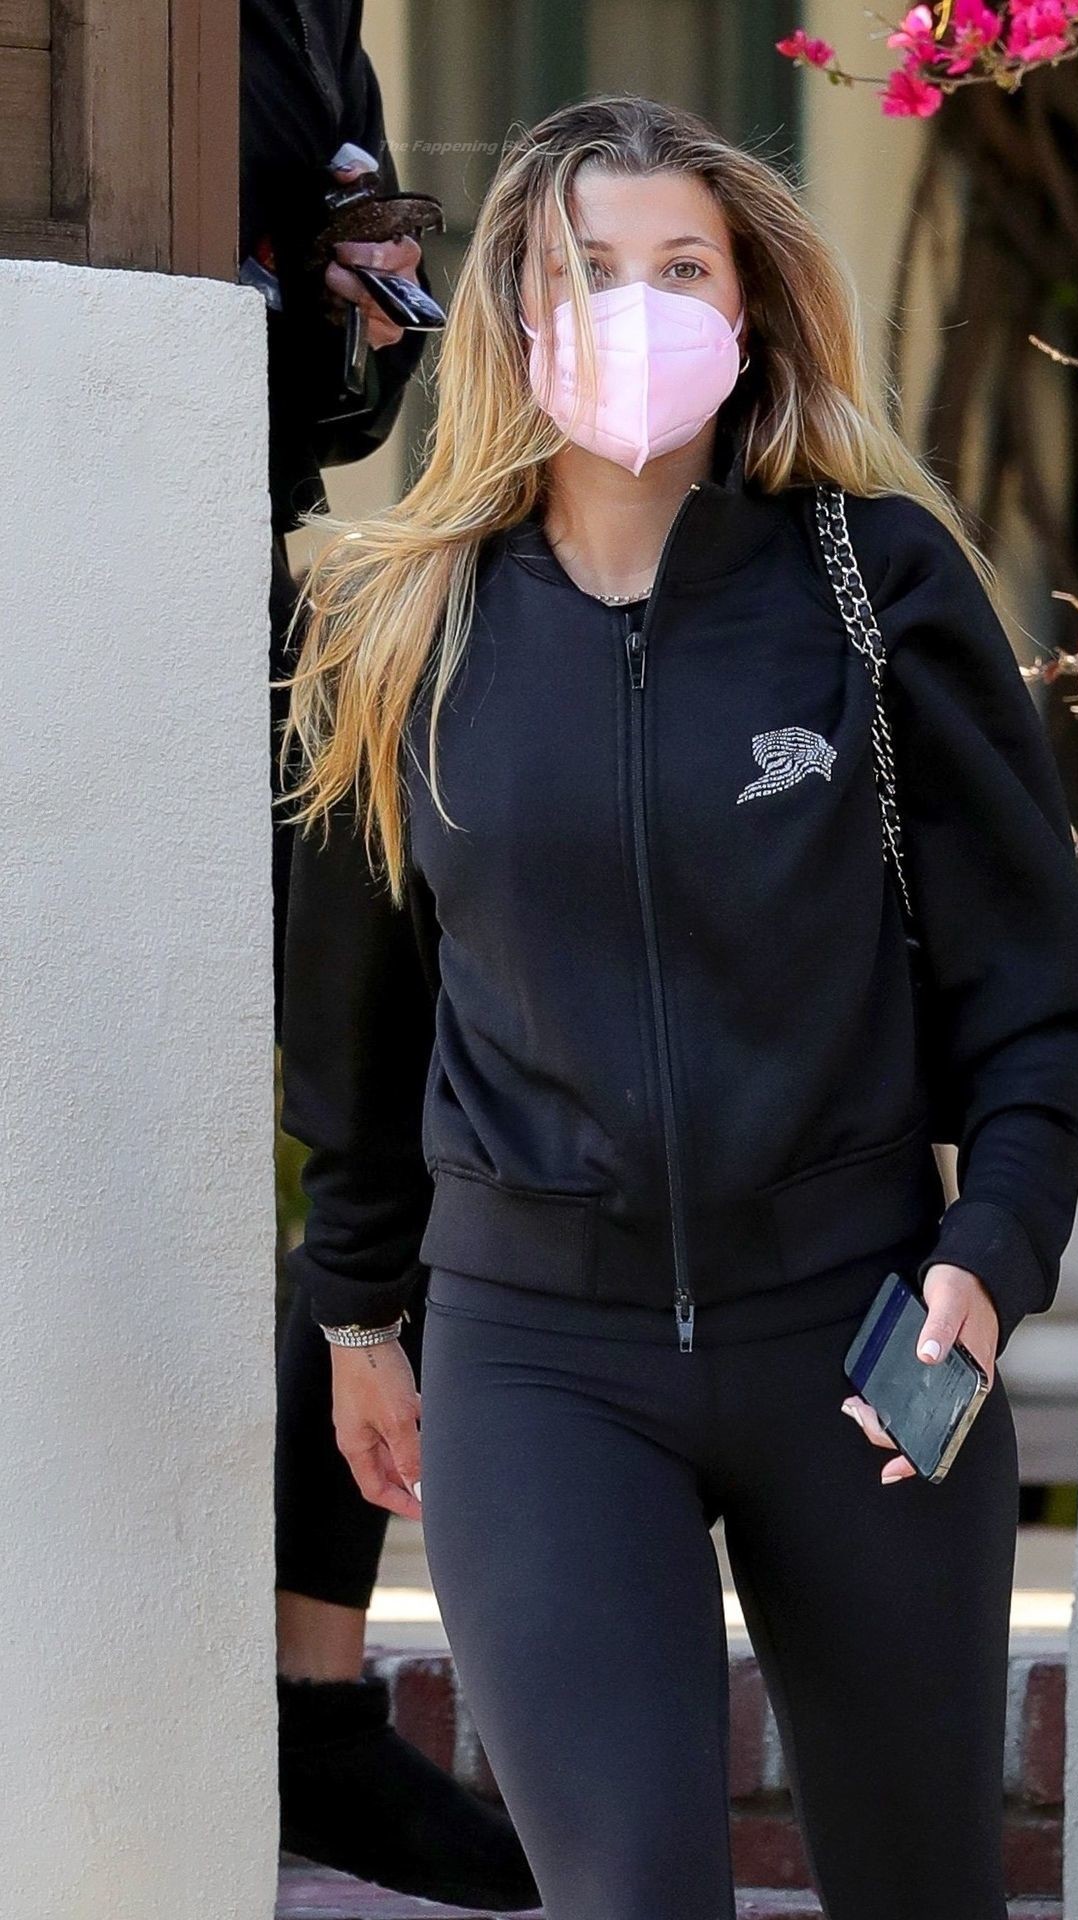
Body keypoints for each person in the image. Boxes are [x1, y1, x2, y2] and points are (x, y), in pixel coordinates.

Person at [276, 92, 1078, 1920]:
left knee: (923, 1893)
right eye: (590, 270)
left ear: (749, 309)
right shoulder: (403, 625)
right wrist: (357, 1312)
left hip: (863, 1337)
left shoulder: (874, 585)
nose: (638, 308)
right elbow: (354, 1022)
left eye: (683, 268)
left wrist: (987, 1257)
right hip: (539, 1362)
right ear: (518, 312)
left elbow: (1040, 1000)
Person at [242, 2, 540, 1906]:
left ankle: (310, 1698)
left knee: (388, 1090)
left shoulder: (314, 23)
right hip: (102, 551)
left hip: (250, 567)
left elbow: (328, 407)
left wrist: (355, 304)